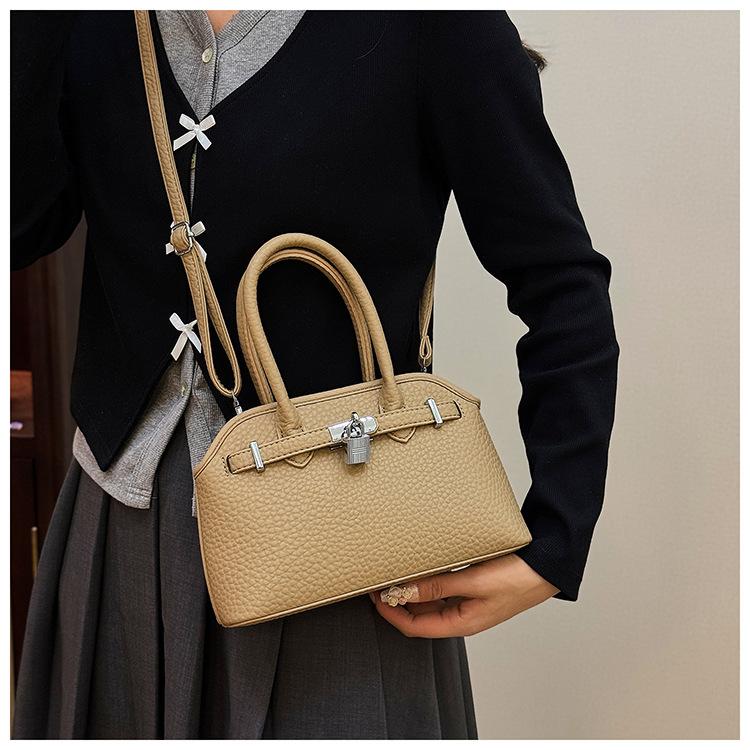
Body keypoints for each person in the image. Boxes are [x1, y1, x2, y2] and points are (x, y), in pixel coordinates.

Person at [10, 9, 619, 739]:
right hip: (121, 527)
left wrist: (556, 539)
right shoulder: (81, 20)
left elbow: (560, 283)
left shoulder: (433, 24)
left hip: (337, 532)